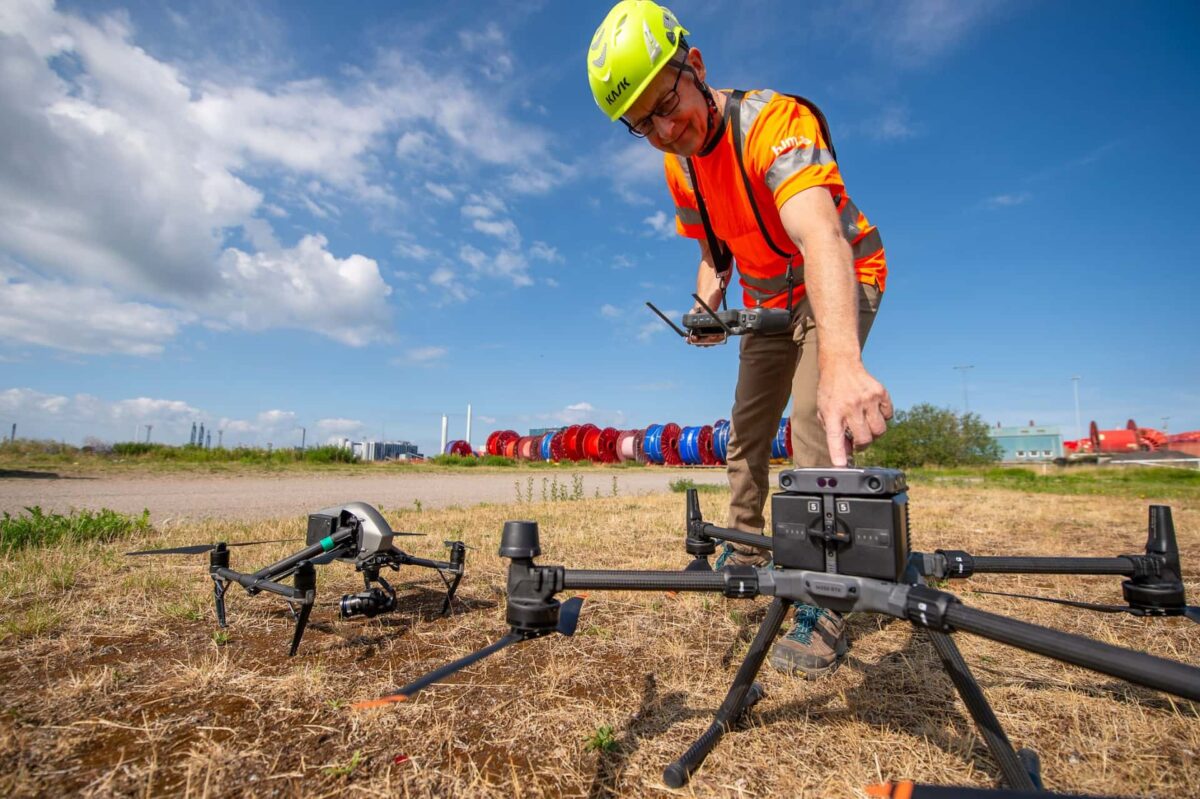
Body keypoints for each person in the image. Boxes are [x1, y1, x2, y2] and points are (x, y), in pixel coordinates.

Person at [587, 0, 893, 678]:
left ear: (694, 66)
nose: (665, 130)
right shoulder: (680, 164)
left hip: (838, 278)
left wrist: (842, 361)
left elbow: (820, 236)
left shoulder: (775, 124)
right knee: (746, 427)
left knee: (818, 422)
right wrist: (705, 305)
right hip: (768, 305)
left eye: (667, 103)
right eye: (643, 125)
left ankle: (830, 590)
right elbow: (714, 253)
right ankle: (749, 546)